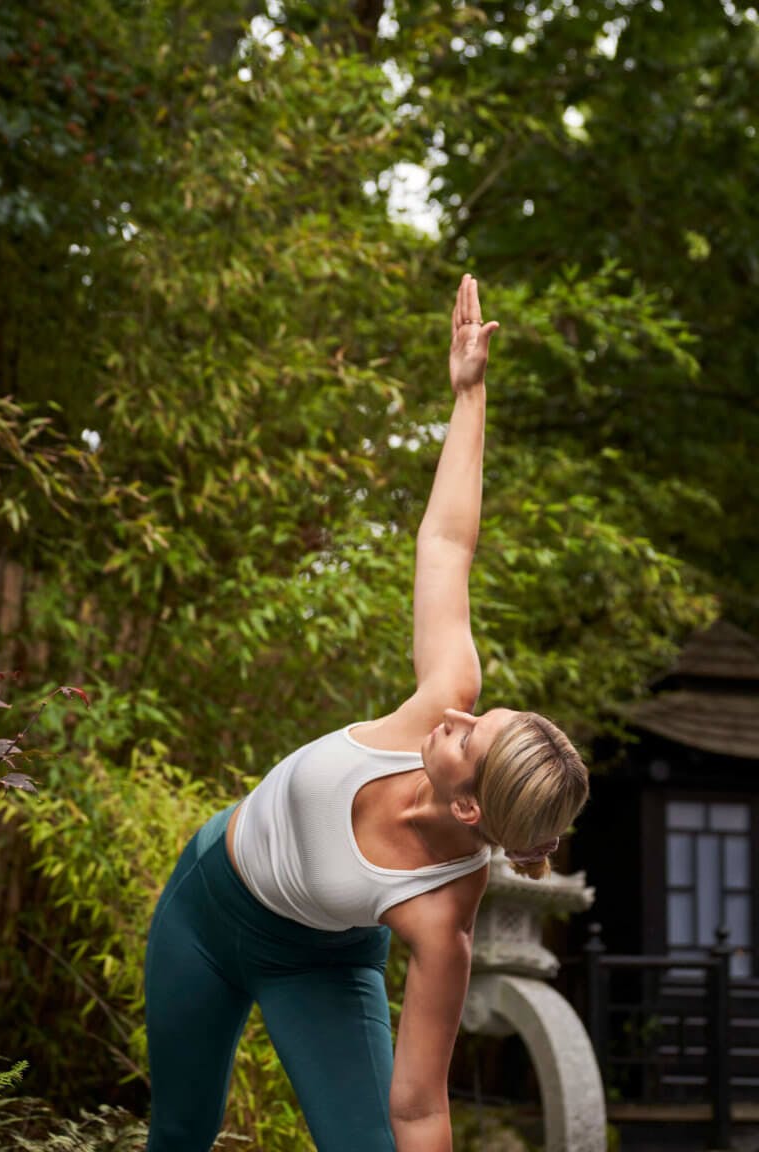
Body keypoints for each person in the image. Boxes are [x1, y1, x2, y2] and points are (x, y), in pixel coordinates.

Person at [143, 274, 589, 1152]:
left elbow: (420, 1107)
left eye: (471, 736)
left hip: (317, 961)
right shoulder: (441, 693)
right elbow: (447, 542)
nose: (458, 716)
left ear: (471, 808)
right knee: (181, 1131)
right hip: (203, 907)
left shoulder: (442, 914)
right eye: (480, 712)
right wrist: (470, 395)